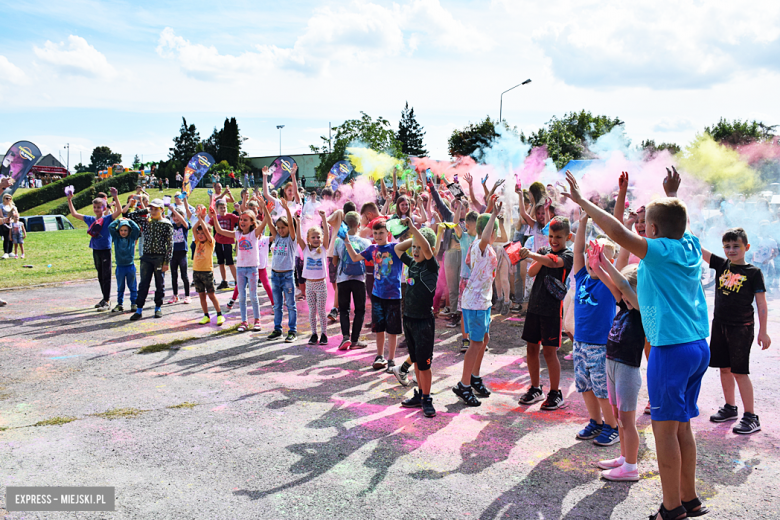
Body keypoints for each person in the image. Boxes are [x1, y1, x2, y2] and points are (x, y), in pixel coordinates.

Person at [563, 169, 710, 520]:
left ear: (655, 231)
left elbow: (616, 231)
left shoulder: (658, 250)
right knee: (683, 427)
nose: (642, 228)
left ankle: (671, 508)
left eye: (646, 223)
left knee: (664, 434)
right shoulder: (688, 243)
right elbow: (678, 220)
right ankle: (689, 498)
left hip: (671, 351)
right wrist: (672, 194)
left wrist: (582, 202)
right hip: (697, 347)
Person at [702, 227, 771, 435]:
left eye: (736, 246)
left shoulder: (754, 273)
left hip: (742, 328)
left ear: (746, 247)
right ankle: (730, 407)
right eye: (727, 246)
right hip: (720, 325)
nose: (731, 250)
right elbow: (698, 248)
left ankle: (751, 416)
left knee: (739, 372)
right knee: (723, 368)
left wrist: (763, 331)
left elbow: (762, 304)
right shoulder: (721, 265)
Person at [570, 213, 621, 447]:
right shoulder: (581, 277)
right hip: (580, 343)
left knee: (602, 389)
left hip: (600, 345)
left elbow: (616, 261)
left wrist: (604, 262)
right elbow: (577, 250)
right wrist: (582, 223)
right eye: (593, 255)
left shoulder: (610, 284)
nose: (594, 261)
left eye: (601, 258)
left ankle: (613, 426)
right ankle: (596, 422)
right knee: (584, 385)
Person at [594, 258, 645, 482]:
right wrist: (596, 264)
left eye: (629, 292)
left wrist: (605, 261)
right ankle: (624, 457)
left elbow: (622, 285)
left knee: (627, 420)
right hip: (612, 364)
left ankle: (631, 467)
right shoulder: (624, 305)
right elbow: (612, 283)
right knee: (618, 417)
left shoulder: (642, 310)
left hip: (627, 369)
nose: (624, 296)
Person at [517, 216, 574, 410]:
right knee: (531, 349)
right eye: (551, 236)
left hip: (552, 312)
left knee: (550, 352)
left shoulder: (568, 255)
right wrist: (540, 256)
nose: (554, 240)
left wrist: (535, 255)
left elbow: (554, 264)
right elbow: (532, 273)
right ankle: (535, 388)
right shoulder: (543, 252)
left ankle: (556, 393)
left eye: (558, 236)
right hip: (534, 308)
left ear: (568, 236)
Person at [452, 203, 501, 407]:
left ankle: (474, 377)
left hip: (483, 300)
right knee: (475, 343)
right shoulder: (479, 246)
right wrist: (494, 215)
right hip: (476, 302)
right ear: (490, 231)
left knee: (484, 338)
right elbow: (485, 236)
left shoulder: (486, 247)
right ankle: (464, 385)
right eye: (494, 230)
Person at [344, 218, 404, 371]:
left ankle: (391, 359)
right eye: (375, 233)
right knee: (379, 329)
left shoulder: (395, 248)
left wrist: (404, 226)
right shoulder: (372, 249)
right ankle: (379, 356)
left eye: (381, 233)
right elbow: (355, 257)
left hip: (394, 296)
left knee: (392, 330)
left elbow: (410, 241)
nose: (377, 236)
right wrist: (346, 242)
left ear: (388, 234)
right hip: (377, 295)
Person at [397, 218, 439, 417]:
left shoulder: (431, 267)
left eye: (419, 248)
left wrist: (415, 230)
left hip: (424, 322)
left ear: (428, 248)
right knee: (415, 360)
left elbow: (429, 252)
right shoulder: (412, 261)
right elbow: (398, 249)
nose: (415, 251)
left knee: (424, 364)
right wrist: (413, 238)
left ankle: (427, 398)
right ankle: (420, 394)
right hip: (409, 318)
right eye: (413, 247)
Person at [67, 187, 122, 311]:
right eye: (95, 207)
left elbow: (119, 211)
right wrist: (69, 200)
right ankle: (104, 298)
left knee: (106, 275)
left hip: (105, 250)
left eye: (99, 207)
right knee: (100, 275)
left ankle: (107, 301)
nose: (97, 209)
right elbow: (74, 214)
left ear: (104, 208)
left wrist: (115, 196)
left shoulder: (107, 219)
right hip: (95, 250)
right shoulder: (90, 219)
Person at [212, 207, 266, 332]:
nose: (242, 222)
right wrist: (214, 216)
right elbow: (220, 230)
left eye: (245, 220)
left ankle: (257, 320)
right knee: (241, 297)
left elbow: (264, 223)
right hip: (240, 269)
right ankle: (244, 321)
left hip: (252, 269)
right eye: (241, 219)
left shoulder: (254, 234)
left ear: (252, 222)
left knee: (253, 296)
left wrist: (266, 211)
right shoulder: (238, 234)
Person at [130, 198, 174, 321]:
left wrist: (166, 261)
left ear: (161, 210)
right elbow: (130, 215)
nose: (153, 211)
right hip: (146, 257)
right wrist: (145, 209)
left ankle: (158, 307)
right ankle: (139, 309)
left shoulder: (166, 224)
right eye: (152, 209)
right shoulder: (146, 221)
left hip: (159, 258)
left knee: (159, 283)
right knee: (143, 283)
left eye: (156, 209)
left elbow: (170, 245)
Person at [333, 210, 370, 351]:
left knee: (344, 309)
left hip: (343, 279)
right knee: (359, 310)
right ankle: (355, 340)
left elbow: (335, 262)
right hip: (359, 279)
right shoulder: (365, 242)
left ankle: (345, 338)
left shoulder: (338, 241)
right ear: (358, 225)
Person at [264, 198, 298, 342]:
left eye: (283, 227)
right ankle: (277, 329)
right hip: (275, 275)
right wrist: (264, 208)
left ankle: (292, 331)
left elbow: (291, 224)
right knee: (277, 305)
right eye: (278, 228)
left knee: (290, 304)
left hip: (287, 276)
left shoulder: (291, 239)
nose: (280, 230)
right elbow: (269, 222)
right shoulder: (276, 237)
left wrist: (288, 211)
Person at [297, 210, 330, 345]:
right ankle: (314, 334)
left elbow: (327, 234)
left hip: (321, 285)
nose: (316, 239)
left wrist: (324, 219)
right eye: (313, 237)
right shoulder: (306, 249)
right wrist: (298, 222)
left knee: (321, 311)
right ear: (309, 239)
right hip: (309, 285)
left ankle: (324, 334)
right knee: (312, 311)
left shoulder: (323, 248)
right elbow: (299, 238)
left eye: (318, 237)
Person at [191, 208, 224, 325]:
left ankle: (219, 314)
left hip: (207, 272)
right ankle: (206, 315)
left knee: (211, 294)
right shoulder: (197, 242)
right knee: (201, 295)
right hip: (196, 272)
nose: (200, 235)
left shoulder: (211, 242)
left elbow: (205, 229)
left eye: (202, 233)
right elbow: (194, 229)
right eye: (199, 234)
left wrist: (201, 219)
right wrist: (200, 219)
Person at [453, 210, 479, 352]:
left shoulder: (481, 239)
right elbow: (455, 224)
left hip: (478, 280)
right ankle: (465, 339)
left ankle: (476, 339)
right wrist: (458, 207)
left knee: (478, 310)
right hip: (465, 278)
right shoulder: (463, 237)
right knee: (465, 311)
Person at [108, 218, 140, 313]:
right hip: (120, 267)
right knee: (120, 287)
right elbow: (110, 227)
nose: (123, 232)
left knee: (133, 286)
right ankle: (119, 304)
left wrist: (130, 221)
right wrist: (118, 220)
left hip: (130, 266)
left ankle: (134, 303)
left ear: (129, 231)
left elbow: (137, 229)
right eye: (121, 230)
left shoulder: (132, 238)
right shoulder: (116, 238)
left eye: (125, 230)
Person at [211, 199, 239, 290]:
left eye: (224, 207)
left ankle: (237, 281)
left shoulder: (230, 216)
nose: (223, 209)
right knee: (221, 262)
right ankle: (224, 281)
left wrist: (239, 210)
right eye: (221, 208)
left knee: (230, 263)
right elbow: (208, 225)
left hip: (228, 242)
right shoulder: (215, 217)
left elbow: (241, 218)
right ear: (217, 208)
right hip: (219, 242)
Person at [167, 206, 192, 304]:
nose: (175, 218)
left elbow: (184, 222)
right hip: (173, 254)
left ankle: (187, 295)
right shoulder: (171, 226)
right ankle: (175, 295)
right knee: (174, 275)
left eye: (177, 216)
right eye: (173, 216)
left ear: (182, 216)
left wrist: (174, 210)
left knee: (184, 275)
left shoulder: (184, 226)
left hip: (182, 253)